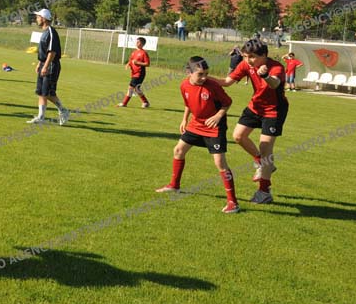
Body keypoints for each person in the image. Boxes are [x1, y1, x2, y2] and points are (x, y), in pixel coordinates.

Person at [155, 56, 239, 214]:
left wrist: (218, 116)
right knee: (178, 150)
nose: (204, 77)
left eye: (206, 73)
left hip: (214, 127)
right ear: (189, 72)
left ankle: (233, 202)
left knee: (220, 162)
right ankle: (174, 185)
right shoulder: (184, 85)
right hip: (196, 124)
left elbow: (227, 102)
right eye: (200, 74)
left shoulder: (213, 86)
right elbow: (188, 103)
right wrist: (184, 119)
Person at [212, 38, 288, 204]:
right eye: (246, 56)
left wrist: (265, 75)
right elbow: (227, 82)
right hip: (255, 107)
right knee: (238, 136)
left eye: (252, 56)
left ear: (264, 55)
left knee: (266, 147)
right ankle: (262, 163)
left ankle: (264, 192)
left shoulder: (276, 67)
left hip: (274, 110)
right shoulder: (245, 64)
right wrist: (205, 78)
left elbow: (275, 84)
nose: (248, 60)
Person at [27, 8, 69, 125]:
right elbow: (44, 52)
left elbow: (52, 52)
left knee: (48, 93)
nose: (36, 19)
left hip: (51, 65)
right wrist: (40, 64)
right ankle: (41, 117)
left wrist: (45, 66)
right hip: (44, 64)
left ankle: (63, 110)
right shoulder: (44, 32)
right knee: (41, 92)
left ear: (44, 19)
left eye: (38, 17)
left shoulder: (51, 32)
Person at [118, 37, 150, 108]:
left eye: (138, 42)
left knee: (131, 87)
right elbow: (131, 60)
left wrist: (137, 63)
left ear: (142, 44)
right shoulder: (134, 52)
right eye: (136, 42)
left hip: (139, 73)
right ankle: (145, 102)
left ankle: (124, 103)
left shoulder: (144, 53)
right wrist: (128, 64)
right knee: (137, 89)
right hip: (134, 73)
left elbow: (147, 64)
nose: (136, 43)